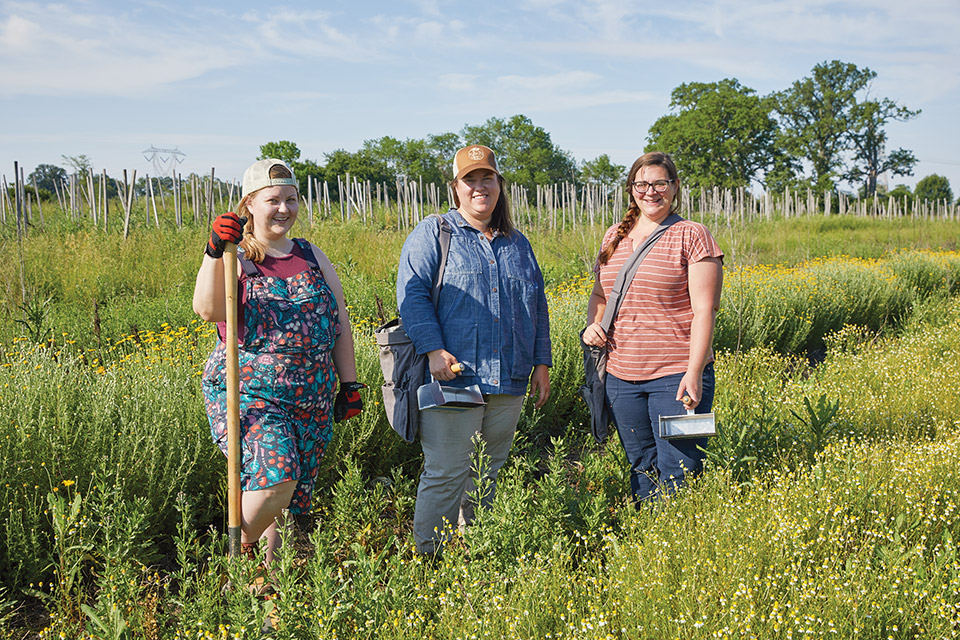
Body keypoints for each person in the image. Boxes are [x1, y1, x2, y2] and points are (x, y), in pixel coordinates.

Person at [193, 158, 364, 566]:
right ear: (249, 204)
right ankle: (239, 551)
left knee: (288, 504)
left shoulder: (311, 254)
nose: (284, 209)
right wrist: (213, 252)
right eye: (273, 200)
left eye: (291, 199)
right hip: (254, 392)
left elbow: (339, 321)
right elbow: (207, 309)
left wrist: (351, 385)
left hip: (313, 394)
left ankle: (266, 586)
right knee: (276, 482)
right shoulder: (237, 256)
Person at [397, 145, 551, 556]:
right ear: (455, 188)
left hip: (511, 375)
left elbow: (536, 304)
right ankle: (430, 558)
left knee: (487, 472)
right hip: (453, 376)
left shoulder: (517, 243)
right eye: (470, 180)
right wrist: (432, 350)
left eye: (488, 178)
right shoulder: (435, 233)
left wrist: (541, 362)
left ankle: (477, 550)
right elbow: (412, 297)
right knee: (447, 471)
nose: (480, 187)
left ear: (499, 185)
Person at [582, 151, 723, 503]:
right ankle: (649, 535)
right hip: (621, 376)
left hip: (676, 374)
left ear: (674, 187)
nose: (651, 191)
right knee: (640, 464)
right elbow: (600, 293)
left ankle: (675, 542)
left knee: (680, 468)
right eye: (642, 184)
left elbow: (706, 310)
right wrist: (591, 325)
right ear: (631, 190)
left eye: (660, 183)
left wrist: (694, 373)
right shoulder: (614, 235)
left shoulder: (692, 235)